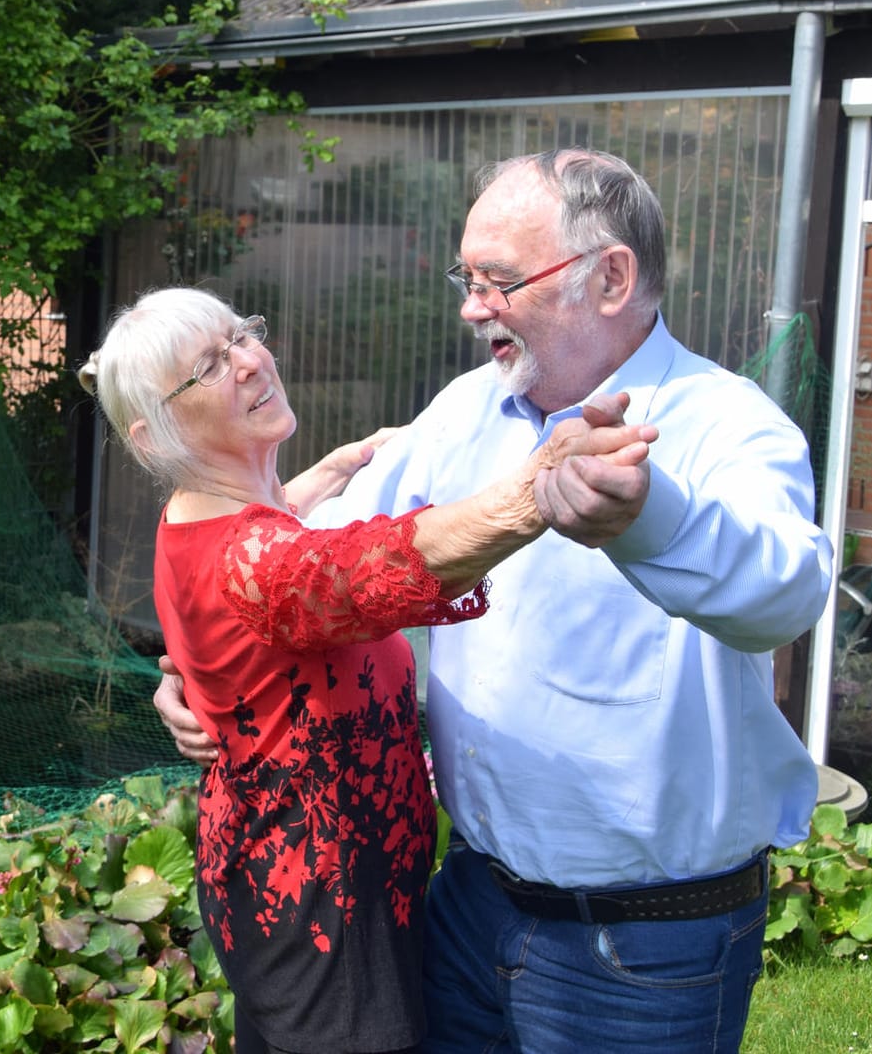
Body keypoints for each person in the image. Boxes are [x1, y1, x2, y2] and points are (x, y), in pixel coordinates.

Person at [152, 149, 834, 1052]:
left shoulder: (727, 423)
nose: (472, 307)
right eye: (465, 278)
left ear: (611, 277)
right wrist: (201, 670)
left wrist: (647, 512)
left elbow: (783, 596)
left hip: (642, 942)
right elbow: (322, 571)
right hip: (469, 908)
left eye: (499, 281)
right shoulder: (468, 410)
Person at [80, 285, 656, 1054]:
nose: (251, 362)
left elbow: (270, 538)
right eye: (209, 367)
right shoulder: (256, 560)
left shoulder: (208, 513)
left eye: (241, 336)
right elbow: (373, 566)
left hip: (288, 880)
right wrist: (540, 487)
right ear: (157, 438)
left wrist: (340, 467)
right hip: (323, 911)